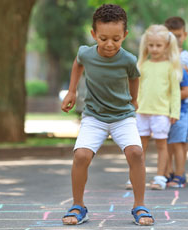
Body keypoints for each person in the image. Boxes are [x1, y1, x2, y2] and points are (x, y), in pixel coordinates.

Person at [61, 4, 154, 226]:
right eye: (103, 38)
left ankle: (139, 205)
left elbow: (134, 78)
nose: (109, 44)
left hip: (123, 116)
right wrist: (72, 91)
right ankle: (78, 205)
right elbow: (78, 63)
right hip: (94, 116)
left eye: (116, 39)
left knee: (136, 153)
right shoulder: (86, 53)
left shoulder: (128, 59)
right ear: (94, 34)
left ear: (125, 35)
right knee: (81, 156)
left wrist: (134, 99)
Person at [130, 25, 182, 190]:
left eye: (158, 45)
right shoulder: (142, 65)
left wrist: (174, 111)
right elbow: (135, 89)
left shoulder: (170, 66)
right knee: (139, 147)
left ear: (166, 46)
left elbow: (175, 92)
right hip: (141, 111)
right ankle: (136, 176)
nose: (154, 48)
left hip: (161, 113)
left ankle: (160, 177)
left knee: (161, 145)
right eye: (151, 45)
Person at [163, 16, 188, 187]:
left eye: (177, 35)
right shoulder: (162, 55)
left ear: (184, 35)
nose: (174, 40)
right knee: (167, 141)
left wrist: (179, 67)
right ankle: (168, 172)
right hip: (163, 106)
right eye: (170, 36)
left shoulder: (187, 56)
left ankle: (180, 174)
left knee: (179, 141)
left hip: (181, 107)